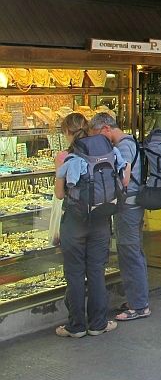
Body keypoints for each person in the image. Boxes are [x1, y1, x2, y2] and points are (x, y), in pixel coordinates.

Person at [54, 113, 120, 338]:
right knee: (96, 272)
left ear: (67, 132)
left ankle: (76, 326)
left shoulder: (64, 156)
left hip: (75, 222)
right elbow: (125, 179)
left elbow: (60, 194)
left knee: (74, 274)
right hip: (101, 219)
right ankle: (98, 324)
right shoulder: (105, 151)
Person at [88, 113, 151, 322]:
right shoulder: (131, 140)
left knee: (129, 253)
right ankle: (137, 299)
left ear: (106, 128)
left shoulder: (123, 147)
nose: (98, 141)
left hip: (128, 208)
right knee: (134, 252)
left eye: (98, 135)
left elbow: (123, 179)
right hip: (134, 206)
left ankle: (139, 306)